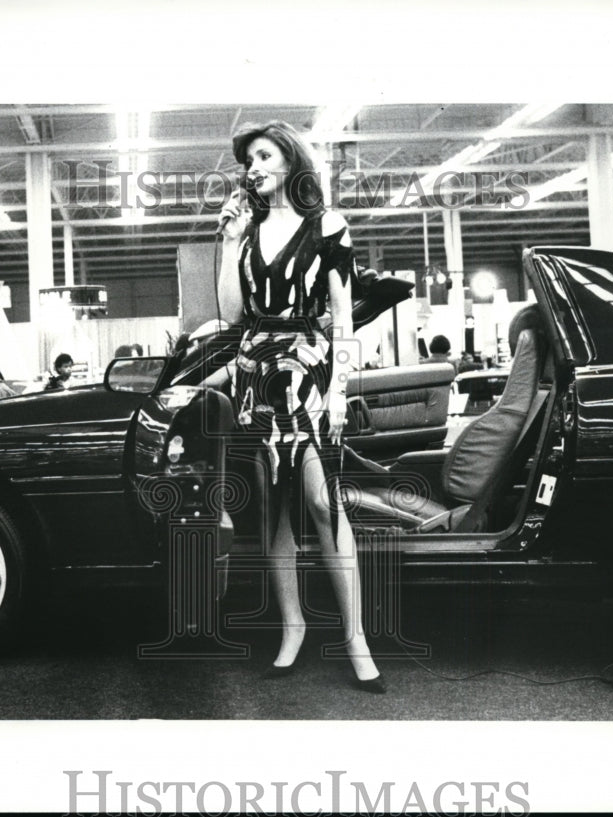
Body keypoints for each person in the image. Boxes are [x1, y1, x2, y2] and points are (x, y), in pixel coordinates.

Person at [217, 120, 384, 692]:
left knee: (321, 499)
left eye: (264, 155)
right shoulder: (247, 231)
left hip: (310, 370)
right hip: (256, 372)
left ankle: (355, 636)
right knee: (272, 508)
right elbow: (231, 314)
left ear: (290, 160)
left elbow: (342, 315)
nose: (253, 167)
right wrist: (228, 239)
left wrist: (339, 389)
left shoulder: (328, 226)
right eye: (249, 160)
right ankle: (293, 627)